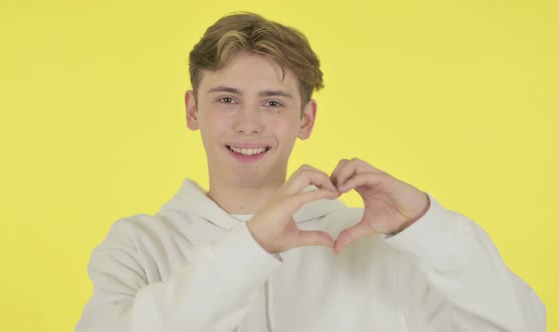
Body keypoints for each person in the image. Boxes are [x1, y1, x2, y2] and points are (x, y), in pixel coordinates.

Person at [76, 12, 545, 332]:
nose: (248, 123)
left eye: (273, 102)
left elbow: (522, 323)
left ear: (306, 119)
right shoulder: (137, 246)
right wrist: (251, 247)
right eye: (226, 98)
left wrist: (425, 224)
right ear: (192, 109)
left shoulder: (371, 245)